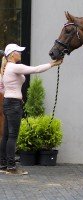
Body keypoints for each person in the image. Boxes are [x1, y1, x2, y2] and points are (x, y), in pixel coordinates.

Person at [0, 44, 63, 175]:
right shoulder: (15, 67)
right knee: (12, 136)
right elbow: (36, 69)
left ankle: (3, 164)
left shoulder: (6, 68)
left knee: (6, 136)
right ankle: (11, 167)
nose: (21, 53)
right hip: (13, 104)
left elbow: (6, 88)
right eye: (19, 52)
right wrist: (52, 64)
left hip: (8, 102)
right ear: (12, 54)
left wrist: (17, 97)